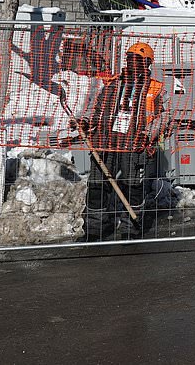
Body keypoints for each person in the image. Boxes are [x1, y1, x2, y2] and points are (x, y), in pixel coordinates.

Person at [75, 42, 170, 241]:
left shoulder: (156, 88)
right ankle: (95, 228)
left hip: (135, 144)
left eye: (137, 60)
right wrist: (86, 122)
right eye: (129, 59)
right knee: (97, 187)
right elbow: (96, 107)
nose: (132, 63)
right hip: (106, 142)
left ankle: (131, 228)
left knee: (133, 188)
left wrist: (148, 134)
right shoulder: (112, 84)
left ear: (147, 63)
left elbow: (163, 117)